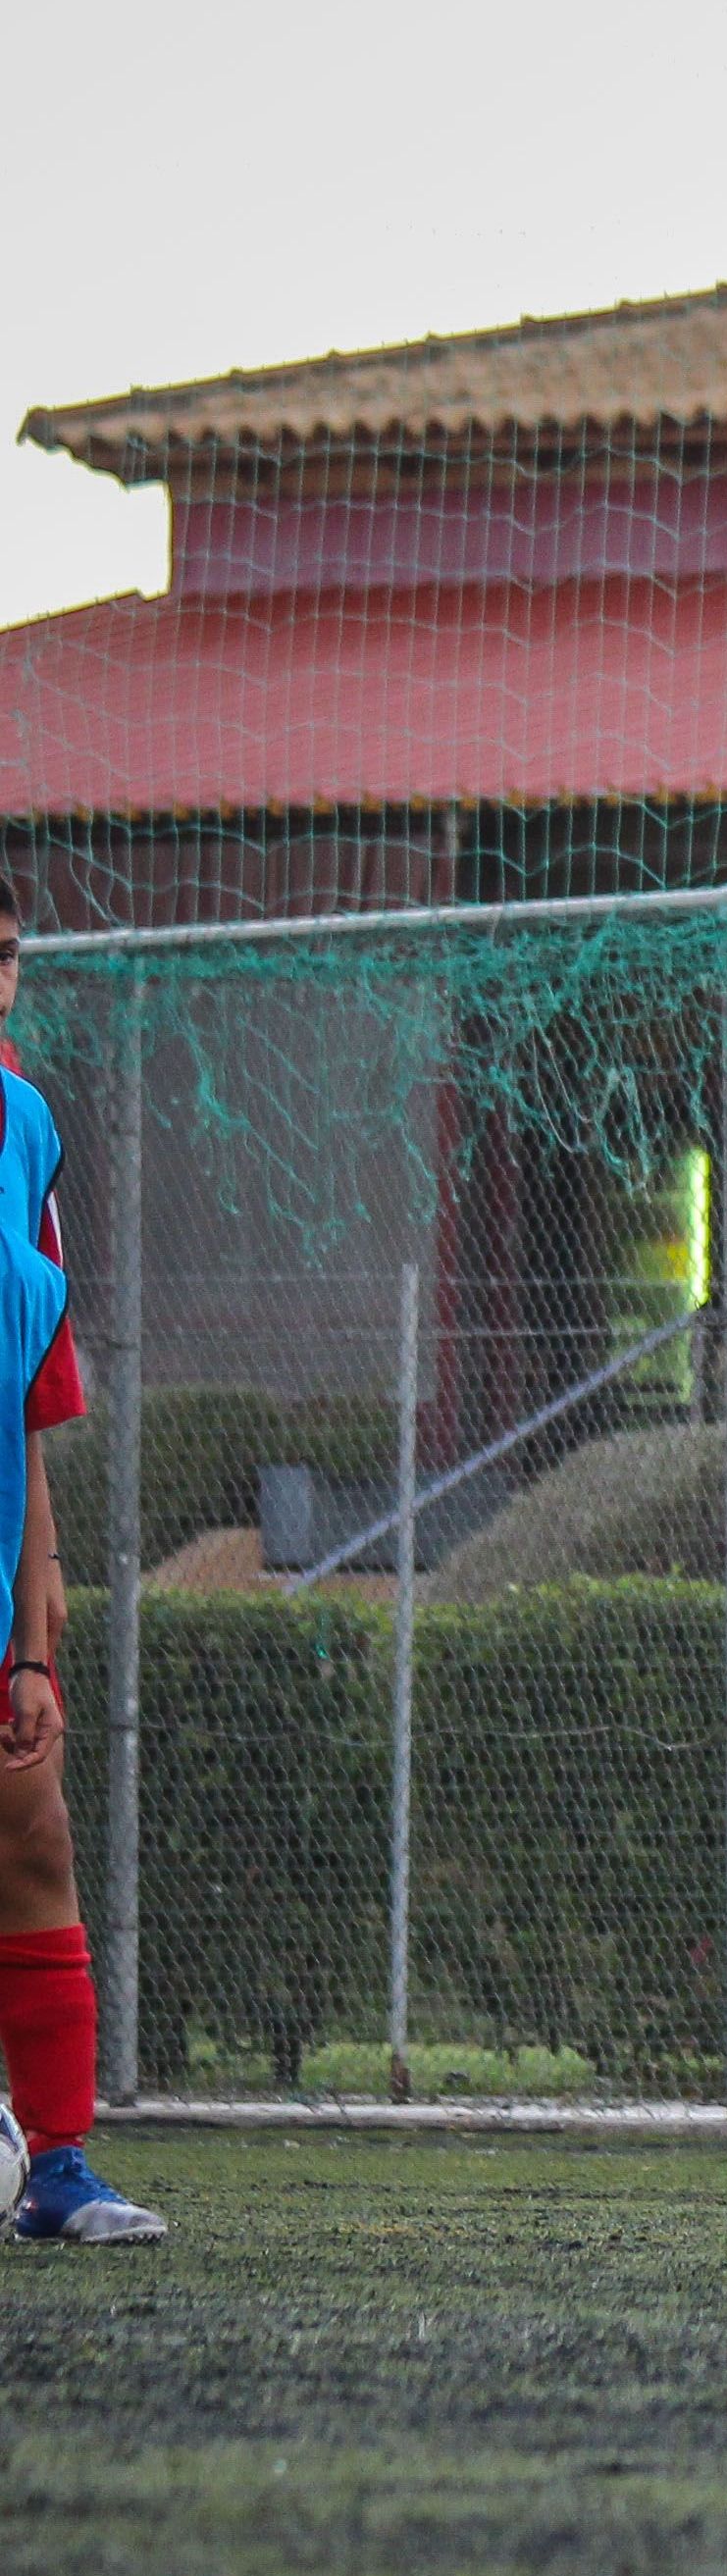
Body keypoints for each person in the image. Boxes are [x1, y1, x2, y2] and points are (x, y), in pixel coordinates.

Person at [0, 874, 151, 2243]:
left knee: (33, 1835)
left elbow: (34, 1411)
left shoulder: (27, 1127)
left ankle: (57, 2168)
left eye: (5, 959)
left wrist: (36, 1636)